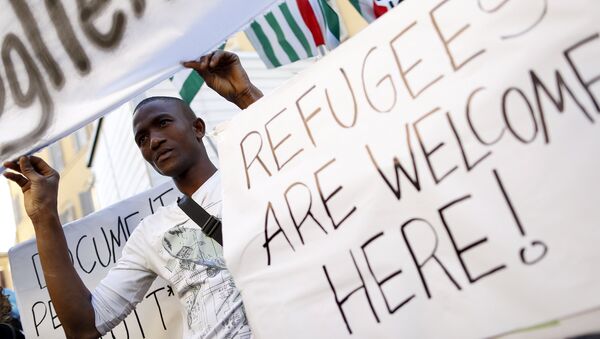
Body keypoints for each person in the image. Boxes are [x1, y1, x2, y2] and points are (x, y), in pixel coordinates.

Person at [3, 50, 263, 339]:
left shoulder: (253, 173)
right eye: (142, 138)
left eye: (163, 123)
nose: (153, 140)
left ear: (198, 128)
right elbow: (83, 327)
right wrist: (43, 215)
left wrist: (245, 94)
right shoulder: (150, 234)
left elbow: (308, 167)